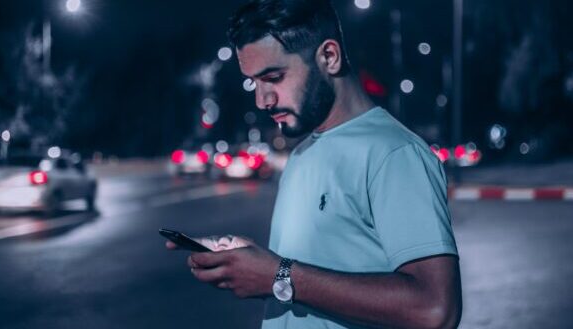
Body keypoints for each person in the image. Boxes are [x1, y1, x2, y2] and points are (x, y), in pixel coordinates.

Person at [166, 0, 462, 328]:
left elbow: (436, 309)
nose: (262, 100)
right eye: (254, 83)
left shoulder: (394, 153)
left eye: (274, 77)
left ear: (329, 57)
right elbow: (304, 278)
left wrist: (277, 275)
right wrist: (254, 264)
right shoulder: (301, 154)